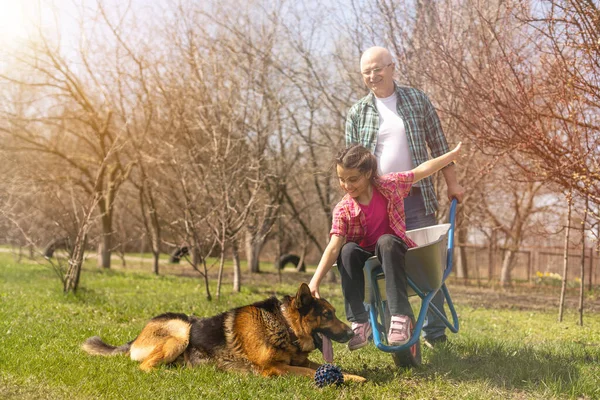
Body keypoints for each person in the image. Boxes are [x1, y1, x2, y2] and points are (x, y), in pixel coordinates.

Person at [344, 46, 465, 347]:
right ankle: (386, 327)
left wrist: (453, 184)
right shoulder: (358, 112)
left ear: (392, 67)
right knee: (384, 261)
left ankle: (434, 334)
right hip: (377, 204)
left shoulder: (416, 100)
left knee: (425, 267)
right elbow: (351, 165)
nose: (373, 76)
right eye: (366, 72)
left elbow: (439, 145)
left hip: (414, 197)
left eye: (377, 68)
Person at [308, 142, 461, 350]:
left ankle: (400, 316)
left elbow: (421, 170)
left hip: (394, 252)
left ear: (369, 173)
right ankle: (360, 322)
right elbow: (333, 247)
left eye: (353, 179)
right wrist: (314, 282)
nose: (347, 185)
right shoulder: (343, 209)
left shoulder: (391, 185)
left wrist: (449, 156)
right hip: (366, 261)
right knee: (347, 250)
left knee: (386, 241)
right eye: (341, 180)